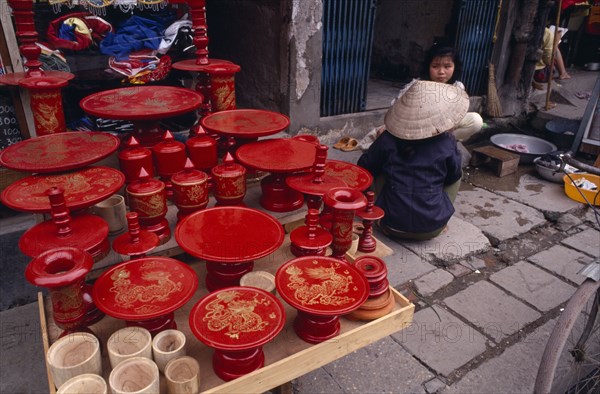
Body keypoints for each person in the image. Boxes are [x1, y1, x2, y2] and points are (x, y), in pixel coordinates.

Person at [357, 80, 467, 241]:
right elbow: (452, 176)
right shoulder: (446, 141)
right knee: (458, 172)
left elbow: (363, 167)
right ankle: (438, 218)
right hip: (432, 228)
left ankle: (376, 213)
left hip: (389, 224)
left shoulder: (388, 139)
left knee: (375, 168)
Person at [359, 42, 482, 150]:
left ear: (455, 67)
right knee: (385, 138)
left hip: (443, 131)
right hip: (416, 130)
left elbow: (457, 115)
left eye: (447, 66)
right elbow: (396, 109)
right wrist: (387, 127)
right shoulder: (416, 86)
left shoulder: (457, 87)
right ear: (428, 67)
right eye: (435, 66)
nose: (441, 72)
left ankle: (441, 145)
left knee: (475, 121)